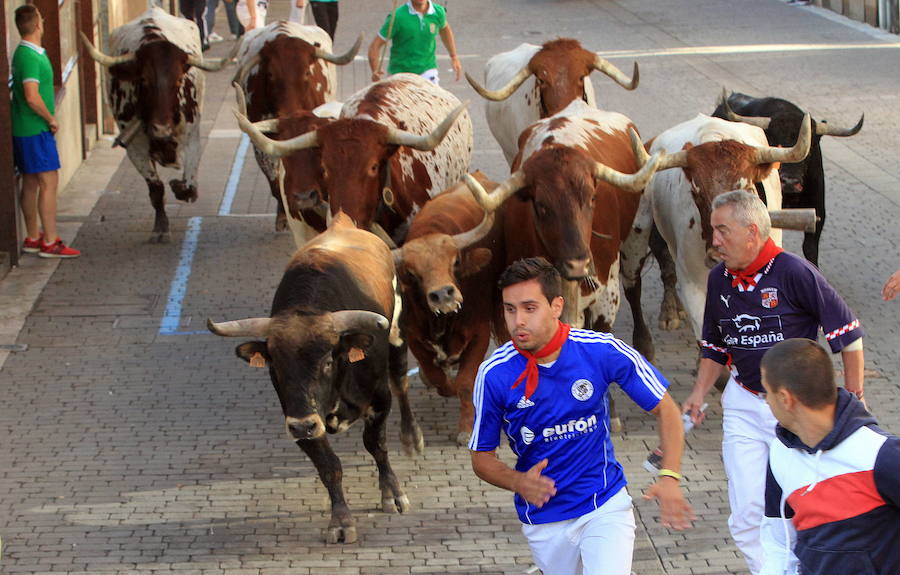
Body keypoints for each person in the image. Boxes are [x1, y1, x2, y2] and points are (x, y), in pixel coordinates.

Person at [469, 257, 694, 575]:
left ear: (556, 305)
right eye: (510, 309)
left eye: (529, 308)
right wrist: (518, 481)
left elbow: (666, 409)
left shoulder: (600, 350)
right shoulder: (493, 374)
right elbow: (481, 459)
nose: (518, 320)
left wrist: (669, 477)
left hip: (604, 505)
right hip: (544, 518)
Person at [682, 190, 864, 574]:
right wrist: (698, 393)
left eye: (721, 231)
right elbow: (715, 347)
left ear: (752, 232)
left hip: (798, 413)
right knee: (747, 515)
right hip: (744, 405)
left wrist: (854, 398)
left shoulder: (795, 272)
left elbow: (849, 334)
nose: (713, 240)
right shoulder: (718, 280)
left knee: (802, 508)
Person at [758, 338, 899, 575]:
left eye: (766, 394)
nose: (766, 402)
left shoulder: (880, 454)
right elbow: (778, 542)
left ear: (785, 398)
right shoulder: (779, 454)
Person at [10, 5, 80, 259]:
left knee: (30, 181)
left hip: (24, 128)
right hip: (34, 129)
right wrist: (50, 118)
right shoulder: (29, 56)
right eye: (41, 17)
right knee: (49, 182)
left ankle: (32, 236)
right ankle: (50, 241)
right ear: (37, 24)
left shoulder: (24, 53)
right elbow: (31, 96)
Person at [367, 0, 462, 85]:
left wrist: (454, 56)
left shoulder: (438, 12)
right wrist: (375, 71)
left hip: (427, 72)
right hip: (400, 75)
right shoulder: (397, 17)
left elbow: (445, 30)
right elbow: (375, 46)